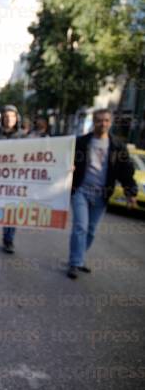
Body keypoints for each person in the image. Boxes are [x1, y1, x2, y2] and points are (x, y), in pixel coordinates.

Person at [67, 109, 137, 279]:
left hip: (102, 194)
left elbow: (126, 171)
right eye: (99, 120)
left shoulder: (118, 146)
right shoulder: (81, 142)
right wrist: (69, 168)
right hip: (81, 191)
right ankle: (75, 263)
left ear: (110, 122)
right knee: (80, 227)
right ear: (94, 121)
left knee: (91, 231)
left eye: (106, 120)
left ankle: (79, 258)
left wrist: (130, 192)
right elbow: (67, 159)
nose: (102, 124)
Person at [0, 105, 26, 254]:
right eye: (6, 116)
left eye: (12, 116)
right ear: (2, 118)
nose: (9, 119)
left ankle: (8, 240)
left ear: (17, 118)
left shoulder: (24, 137)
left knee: (12, 210)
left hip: (14, 180)